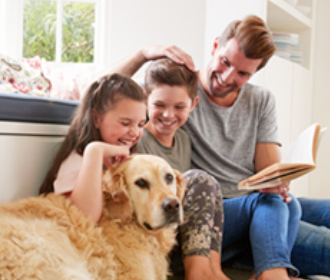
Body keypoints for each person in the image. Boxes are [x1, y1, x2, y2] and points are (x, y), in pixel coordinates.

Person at [110, 15, 330, 280]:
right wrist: (144, 54)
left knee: (294, 204)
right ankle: (272, 270)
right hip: (216, 210)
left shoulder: (259, 100)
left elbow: (270, 172)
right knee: (281, 211)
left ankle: (264, 258)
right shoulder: (180, 91)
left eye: (242, 73)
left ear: (254, 73)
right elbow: (106, 92)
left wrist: (280, 181)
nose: (226, 77)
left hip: (256, 206)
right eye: (225, 62)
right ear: (215, 46)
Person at [136, 58, 229, 280]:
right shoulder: (139, 141)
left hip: (179, 233)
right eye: (159, 105)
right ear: (146, 101)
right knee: (198, 179)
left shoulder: (184, 140)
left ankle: (213, 270)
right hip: (153, 234)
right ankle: (198, 274)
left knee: (211, 185)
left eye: (179, 107)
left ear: (193, 105)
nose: (168, 115)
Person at [39, 73, 147, 224]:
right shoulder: (77, 163)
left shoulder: (120, 161)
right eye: (125, 123)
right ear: (96, 118)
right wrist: (95, 151)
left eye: (141, 124)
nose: (135, 132)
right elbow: (85, 220)